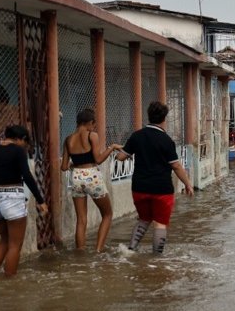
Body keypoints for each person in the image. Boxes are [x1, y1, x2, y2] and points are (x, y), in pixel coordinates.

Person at [114, 101, 194, 254]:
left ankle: (130, 250)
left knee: (144, 219)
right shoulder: (167, 141)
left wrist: (121, 149)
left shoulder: (136, 136)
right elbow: (176, 166)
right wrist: (188, 184)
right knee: (160, 223)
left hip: (139, 188)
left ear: (149, 117)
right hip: (161, 189)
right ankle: (157, 259)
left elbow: (120, 157)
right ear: (165, 119)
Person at [0, 125, 48, 276]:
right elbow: (27, 176)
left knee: (4, 239)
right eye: (26, 142)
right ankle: (9, 283)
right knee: (15, 245)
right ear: (21, 139)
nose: (26, 145)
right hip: (13, 198)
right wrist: (40, 200)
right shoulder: (18, 150)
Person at [61, 108, 123, 252]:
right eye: (93, 124)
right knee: (107, 214)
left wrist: (75, 164)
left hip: (76, 177)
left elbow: (64, 167)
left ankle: (80, 253)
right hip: (92, 177)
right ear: (89, 122)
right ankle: (98, 250)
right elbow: (99, 159)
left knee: (81, 220)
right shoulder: (92, 136)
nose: (94, 127)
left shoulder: (68, 139)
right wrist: (112, 147)